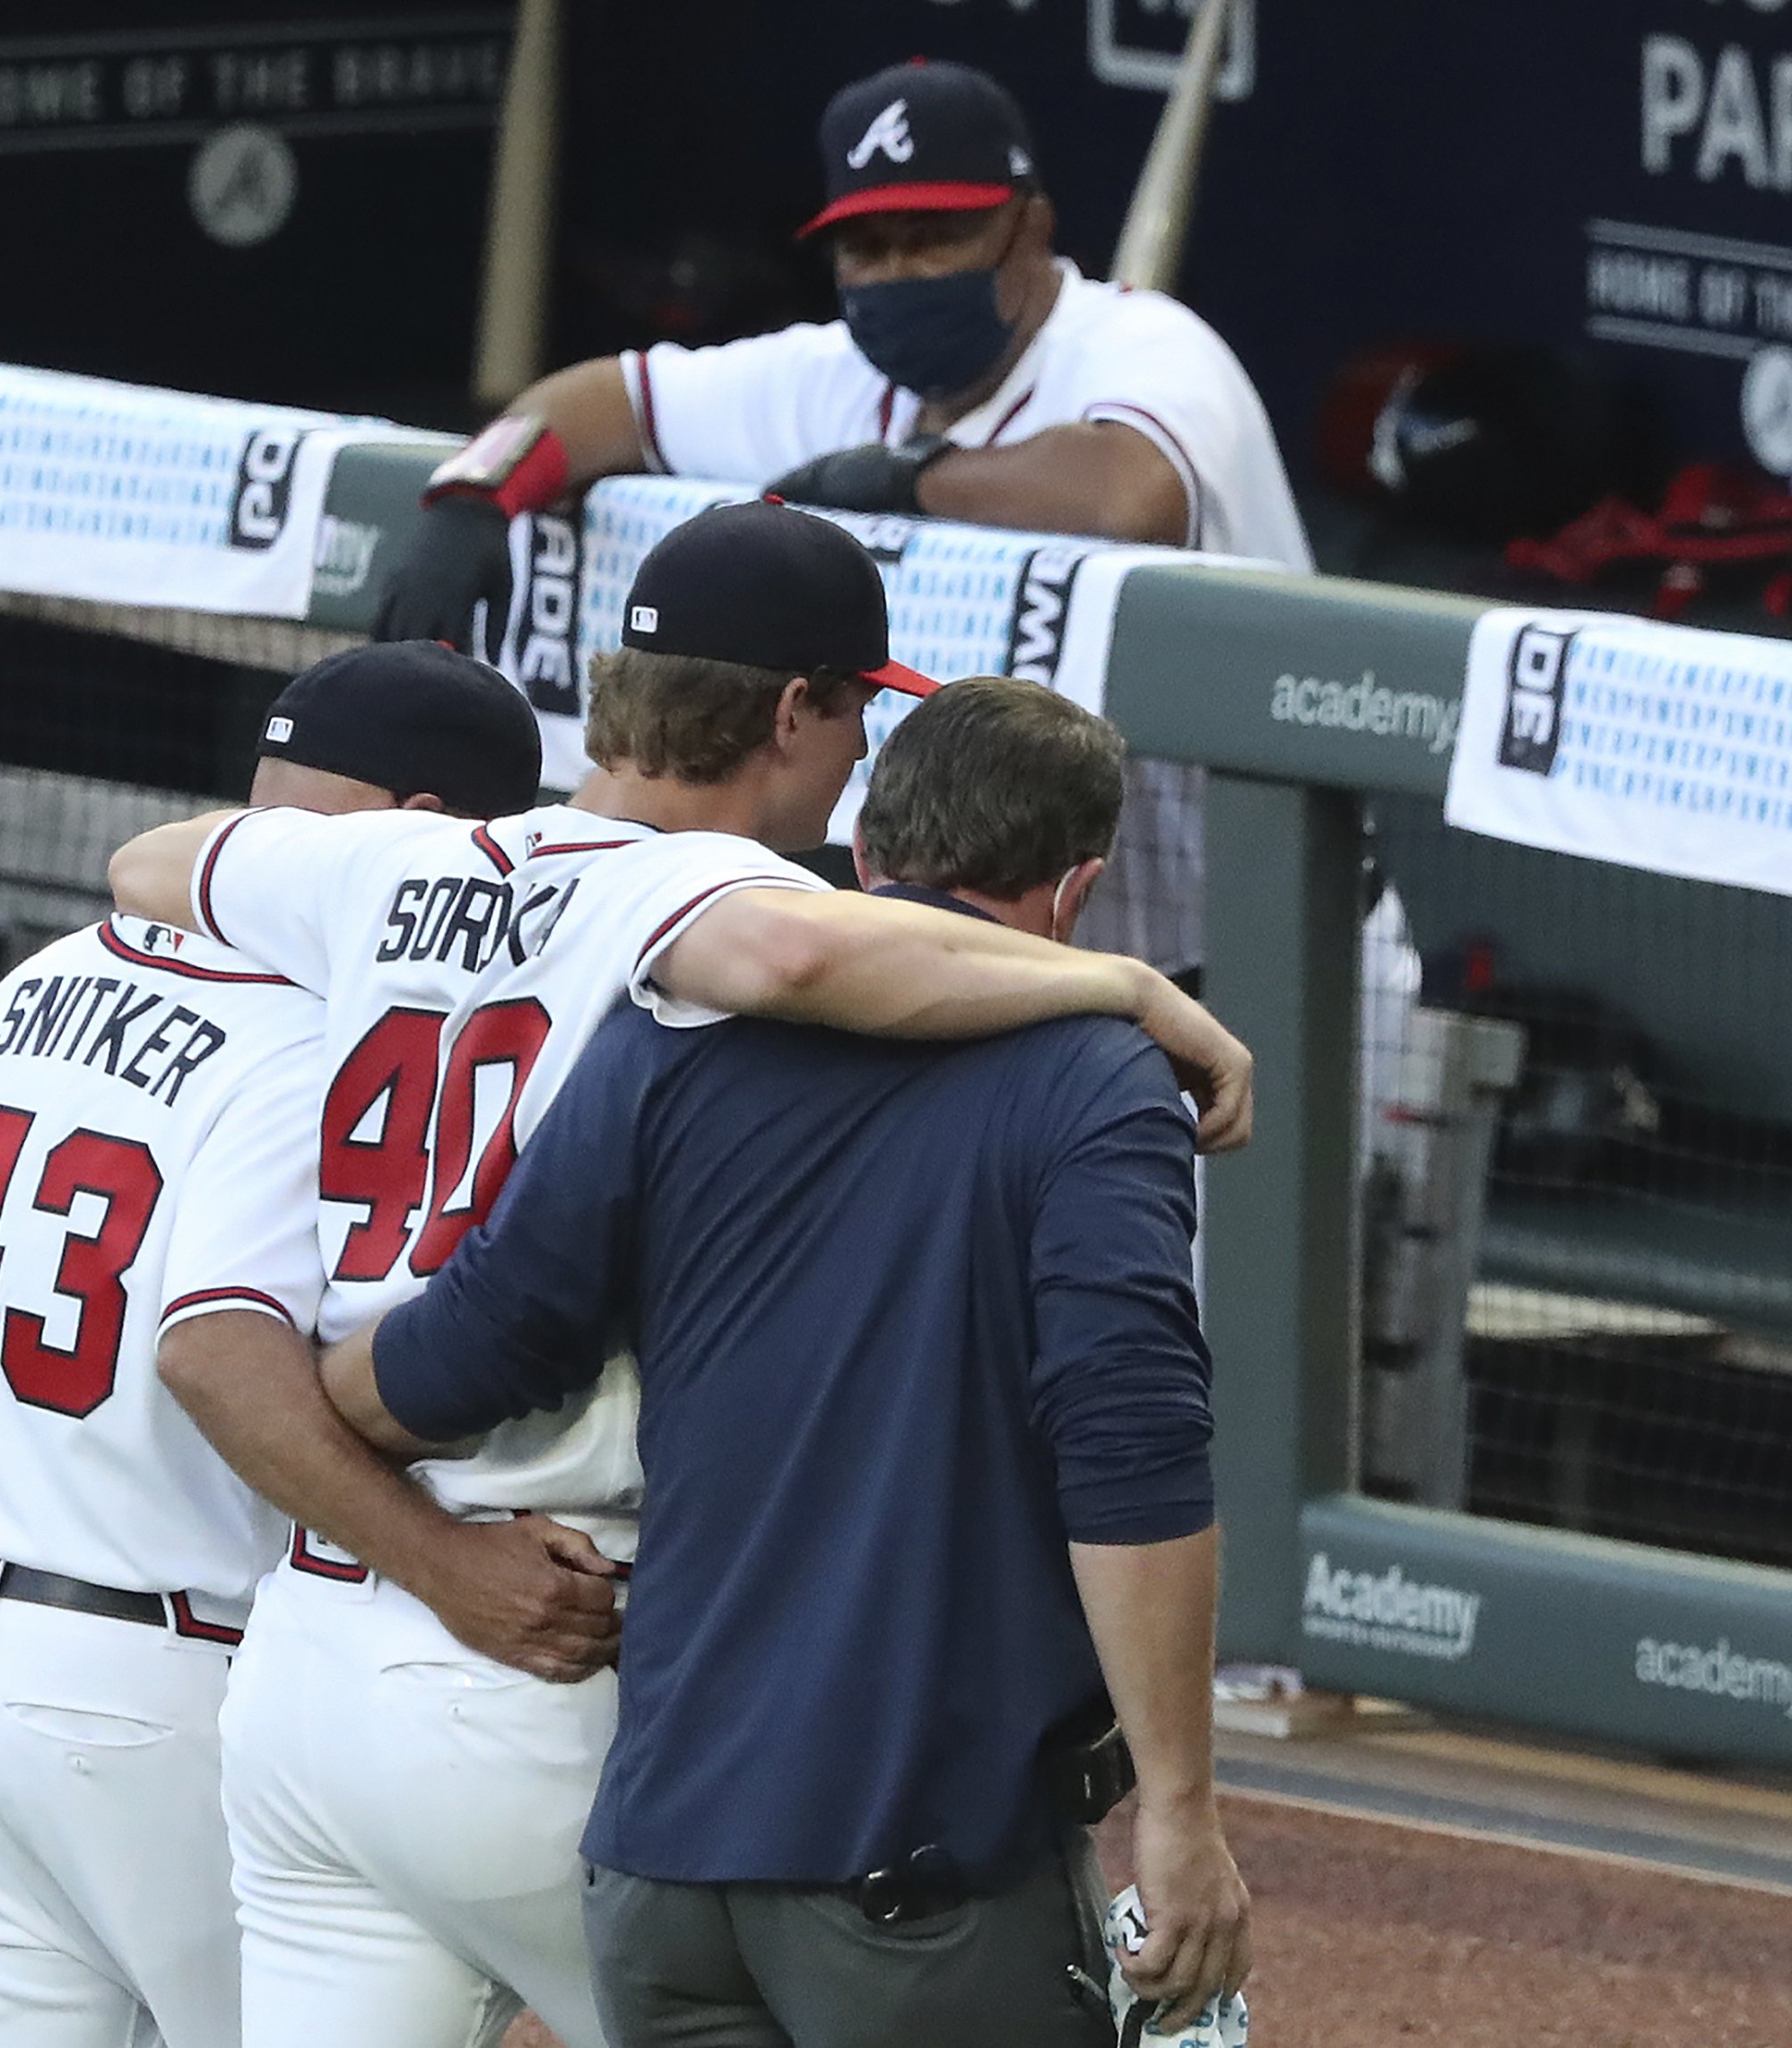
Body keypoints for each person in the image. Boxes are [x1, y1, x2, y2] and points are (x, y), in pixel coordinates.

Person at [106, 501, 1255, 2048]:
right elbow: (797, 962)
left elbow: (148, 857)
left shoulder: (395, 861)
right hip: (572, 1630)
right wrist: (1118, 983)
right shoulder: (706, 904)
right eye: (853, 710)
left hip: (323, 1635)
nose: (854, 761)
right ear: (797, 709)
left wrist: (379, 875)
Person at [0, 642, 599, 2048]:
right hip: (158, 1675)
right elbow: (225, 1352)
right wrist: (445, 1566)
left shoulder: (52, 970)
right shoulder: (329, 1027)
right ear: (425, 826)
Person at [373, 55, 1312, 979]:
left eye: (933, 235)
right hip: (1014, 964)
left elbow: (1129, 492)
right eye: (867, 246)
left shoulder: (1141, 343)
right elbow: (603, 401)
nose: (899, 270)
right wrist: (473, 490)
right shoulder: (830, 373)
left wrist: (915, 481)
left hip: (1255, 947)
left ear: (1029, 226)